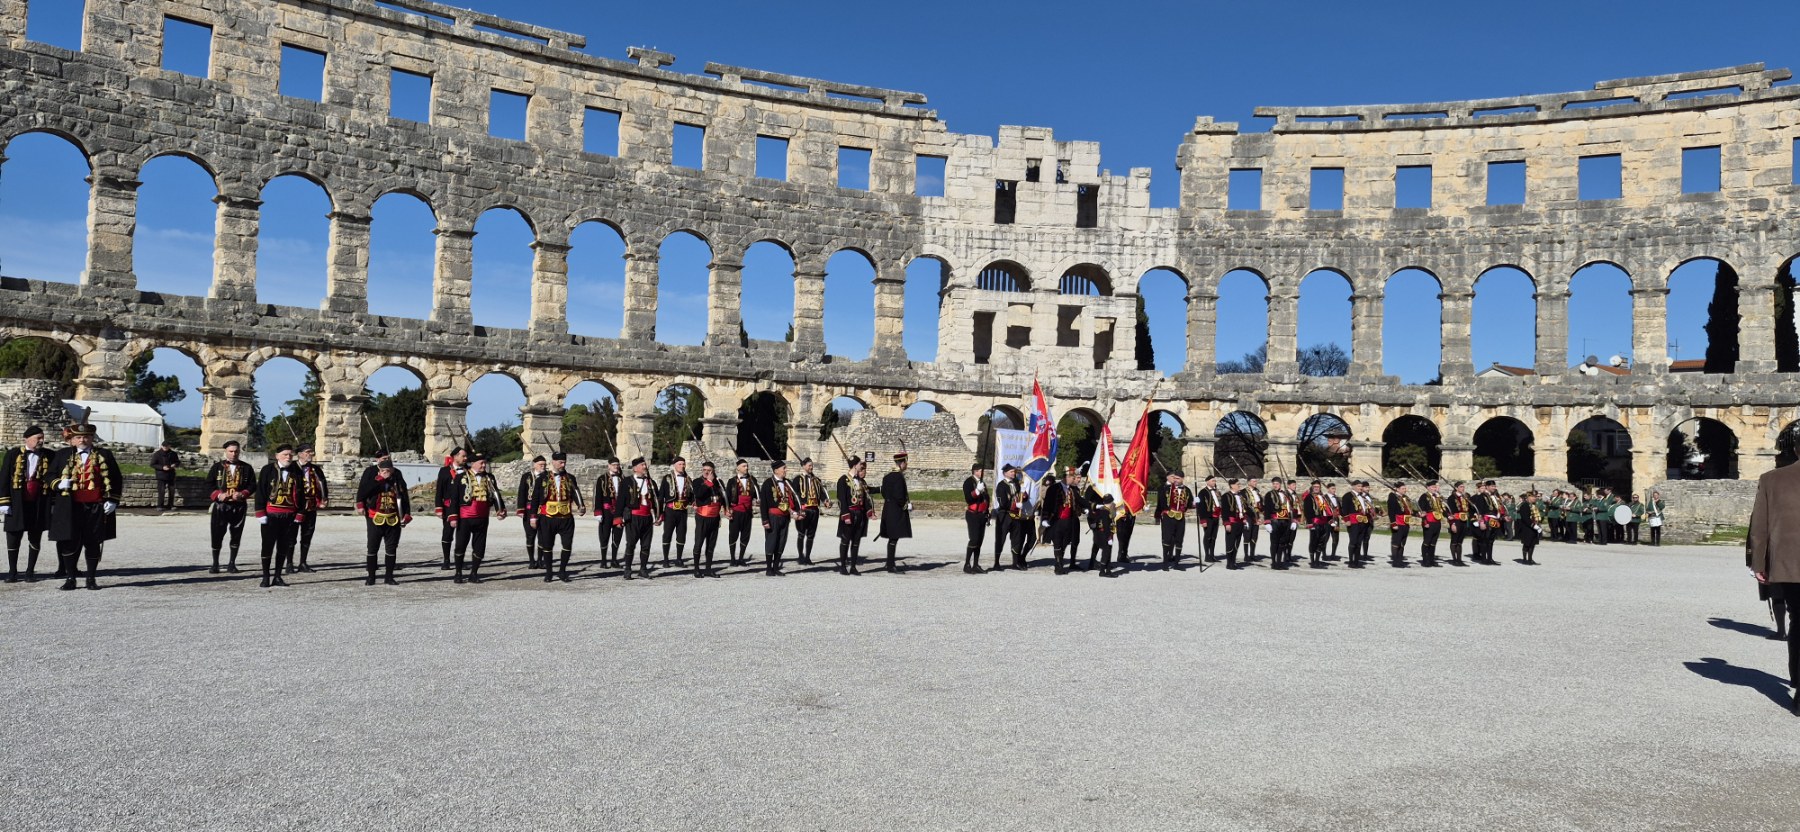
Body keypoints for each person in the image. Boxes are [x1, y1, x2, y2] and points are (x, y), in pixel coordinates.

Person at [1746, 460, 1800, 713]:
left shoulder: (1771, 479)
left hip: (1789, 563)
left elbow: (1759, 527)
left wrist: (1758, 562)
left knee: (1798, 620)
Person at [46, 424, 122, 591]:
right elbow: (49, 475)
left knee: (93, 542)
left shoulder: (104, 454)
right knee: (69, 542)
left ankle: (91, 578)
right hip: (70, 506)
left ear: (92, 438)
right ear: (72, 439)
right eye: (78, 437)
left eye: (86, 437)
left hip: (96, 506)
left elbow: (116, 478)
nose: (82, 440)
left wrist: (113, 500)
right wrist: (58, 484)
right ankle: (70, 578)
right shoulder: (62, 454)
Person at [2, 426, 54, 582]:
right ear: (27, 438)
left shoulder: (50, 455)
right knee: (13, 536)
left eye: (42, 438)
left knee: (35, 536)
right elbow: (4, 478)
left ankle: (30, 571)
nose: (41, 441)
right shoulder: (12, 454)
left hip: (38, 503)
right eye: (38, 438)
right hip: (17, 503)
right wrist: (4, 501)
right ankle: (12, 571)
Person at [447, 454, 506, 584]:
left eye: (485, 463)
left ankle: (474, 573)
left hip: (483, 516)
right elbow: (454, 498)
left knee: (480, 546)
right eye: (481, 463)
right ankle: (458, 573)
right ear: (472, 463)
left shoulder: (490, 478)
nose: (484, 465)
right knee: (461, 545)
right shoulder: (460, 477)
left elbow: (496, 494)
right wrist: (453, 516)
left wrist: (500, 509)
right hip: (465, 517)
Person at [255, 444, 305, 589]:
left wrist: (300, 513)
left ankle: (278, 576)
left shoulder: (297, 471)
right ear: (277, 456)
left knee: (284, 546)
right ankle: (265, 576)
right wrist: (260, 512)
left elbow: (302, 494)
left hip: (289, 515)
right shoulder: (267, 470)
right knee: (267, 545)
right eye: (285, 454)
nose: (288, 457)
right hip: (271, 514)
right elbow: (260, 491)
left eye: (290, 455)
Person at [203, 440, 256, 574]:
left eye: (236, 451)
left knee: (236, 534)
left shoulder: (247, 467)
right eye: (231, 451)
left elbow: (252, 485)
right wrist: (218, 495)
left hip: (239, 506)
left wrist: (243, 494)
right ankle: (215, 563)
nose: (233, 454)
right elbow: (208, 484)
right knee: (217, 534)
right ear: (225, 452)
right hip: (221, 506)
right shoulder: (217, 467)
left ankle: (232, 563)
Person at [355, 458, 411, 586]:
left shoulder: (397, 481)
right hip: (375, 517)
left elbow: (404, 498)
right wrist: (379, 480)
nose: (386, 473)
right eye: (383, 471)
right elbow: (363, 493)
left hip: (393, 518)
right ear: (379, 471)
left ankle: (389, 577)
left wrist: (407, 514)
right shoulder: (374, 480)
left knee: (391, 548)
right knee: (372, 547)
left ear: (392, 470)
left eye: (388, 471)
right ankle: (371, 577)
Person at [532, 452, 585, 583]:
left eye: (564, 462)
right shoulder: (542, 478)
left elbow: (575, 492)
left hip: (566, 517)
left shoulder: (570, 478)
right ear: (553, 462)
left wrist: (581, 505)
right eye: (560, 462)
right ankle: (549, 572)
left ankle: (562, 571)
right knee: (547, 545)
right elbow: (535, 498)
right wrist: (533, 516)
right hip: (548, 517)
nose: (563, 465)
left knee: (567, 545)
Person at [618, 456, 662, 579]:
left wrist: (659, 515)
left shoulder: (651, 483)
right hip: (633, 517)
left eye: (645, 465)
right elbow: (620, 501)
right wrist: (618, 518)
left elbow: (657, 501)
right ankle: (628, 569)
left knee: (646, 545)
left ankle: (643, 569)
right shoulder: (626, 482)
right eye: (642, 465)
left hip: (647, 517)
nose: (645, 467)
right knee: (631, 544)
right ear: (635, 468)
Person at [292, 445, 329, 573]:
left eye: (311, 452)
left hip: (311, 506)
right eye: (308, 452)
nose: (311, 454)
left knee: (307, 534)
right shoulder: (292, 467)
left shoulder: (315, 469)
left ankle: (303, 562)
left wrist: (324, 498)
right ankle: (289, 563)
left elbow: (322, 483)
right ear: (300, 454)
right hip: (295, 506)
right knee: (291, 535)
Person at [759, 460, 800, 576]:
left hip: (785, 517)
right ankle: (769, 568)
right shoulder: (768, 483)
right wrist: (765, 520)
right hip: (773, 516)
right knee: (771, 541)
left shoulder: (788, 483)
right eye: (784, 468)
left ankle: (776, 567)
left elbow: (794, 498)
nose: (786, 470)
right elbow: (764, 504)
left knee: (781, 541)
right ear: (776, 470)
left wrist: (797, 511)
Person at [1041, 469, 1085, 574]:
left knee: (1065, 542)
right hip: (1057, 520)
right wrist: (1045, 518)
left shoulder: (1072, 489)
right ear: (1066, 477)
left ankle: (1060, 562)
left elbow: (1080, 501)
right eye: (1072, 478)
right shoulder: (1054, 488)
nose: (1074, 480)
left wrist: (1092, 506)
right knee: (1057, 542)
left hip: (1068, 521)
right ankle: (1058, 566)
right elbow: (1047, 504)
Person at [836, 456, 873, 575]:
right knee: (845, 540)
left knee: (856, 541)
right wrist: (845, 515)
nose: (861, 466)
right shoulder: (843, 480)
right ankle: (843, 566)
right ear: (854, 465)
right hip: (849, 513)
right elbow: (841, 499)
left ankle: (853, 566)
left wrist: (869, 511)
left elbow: (865, 498)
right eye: (859, 464)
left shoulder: (860, 481)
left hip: (859, 514)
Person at [433, 447, 467, 570]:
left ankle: (460, 560)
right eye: (463, 456)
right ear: (455, 456)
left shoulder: (467, 471)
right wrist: (439, 508)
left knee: (462, 535)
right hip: (448, 507)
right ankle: (446, 560)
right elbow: (439, 490)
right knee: (447, 533)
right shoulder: (444, 471)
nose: (465, 458)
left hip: (463, 507)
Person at [878, 452, 913, 573]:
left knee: (892, 538)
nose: (906, 465)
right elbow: (899, 496)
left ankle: (890, 563)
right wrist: (906, 505)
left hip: (888, 509)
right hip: (896, 511)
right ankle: (890, 565)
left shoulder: (887, 477)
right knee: (894, 538)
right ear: (902, 463)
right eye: (905, 462)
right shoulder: (899, 477)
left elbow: (884, 493)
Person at [793, 458, 830, 566]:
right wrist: (797, 510)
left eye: (812, 465)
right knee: (801, 534)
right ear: (804, 466)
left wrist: (825, 501)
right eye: (809, 465)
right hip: (803, 509)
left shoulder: (817, 480)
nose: (811, 467)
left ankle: (807, 557)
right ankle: (800, 556)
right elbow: (794, 495)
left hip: (814, 510)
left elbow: (822, 494)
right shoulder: (797, 479)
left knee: (811, 535)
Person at [1081, 469, 1118, 575]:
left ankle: (1104, 562)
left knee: (1101, 540)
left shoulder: (1104, 488)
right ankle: (1094, 562)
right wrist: (1096, 507)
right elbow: (1087, 503)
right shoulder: (1092, 488)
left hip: (1104, 514)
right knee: (1099, 539)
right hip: (1095, 516)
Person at [691, 461, 723, 577]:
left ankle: (708, 569)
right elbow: (699, 494)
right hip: (703, 516)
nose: (706, 472)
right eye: (704, 470)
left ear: (713, 471)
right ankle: (696, 569)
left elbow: (722, 497)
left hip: (714, 517)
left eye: (709, 470)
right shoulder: (697, 481)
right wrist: (708, 482)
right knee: (699, 542)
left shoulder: (718, 482)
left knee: (711, 544)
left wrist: (726, 509)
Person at [659, 456, 692, 567]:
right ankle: (665, 559)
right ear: (674, 465)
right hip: (670, 511)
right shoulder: (667, 478)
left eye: (683, 464)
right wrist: (660, 513)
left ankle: (679, 559)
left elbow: (692, 495)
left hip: (683, 511)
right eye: (680, 464)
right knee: (667, 534)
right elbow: (661, 496)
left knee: (681, 534)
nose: (682, 466)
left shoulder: (688, 479)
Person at [724, 459, 757, 566]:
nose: (746, 468)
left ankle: (741, 558)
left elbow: (757, 494)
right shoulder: (731, 481)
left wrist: (757, 500)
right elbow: (727, 497)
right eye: (744, 466)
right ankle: (732, 558)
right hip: (736, 511)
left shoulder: (752, 480)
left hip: (748, 512)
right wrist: (727, 510)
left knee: (745, 535)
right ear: (738, 468)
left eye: (747, 466)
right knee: (733, 535)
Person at [1157, 470, 1192, 570]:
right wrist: (1164, 512)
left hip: (1180, 517)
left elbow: (1189, 503)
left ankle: (1177, 563)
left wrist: (1195, 503)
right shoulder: (1167, 489)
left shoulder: (1187, 490)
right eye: (1174, 478)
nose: (1175, 480)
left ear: (1182, 479)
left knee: (1179, 539)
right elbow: (1161, 502)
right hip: (1169, 516)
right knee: (1167, 539)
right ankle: (1165, 563)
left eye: (1178, 478)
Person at [516, 456, 547, 567]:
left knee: (542, 536)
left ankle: (540, 560)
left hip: (542, 509)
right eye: (540, 465)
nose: (543, 466)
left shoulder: (547, 477)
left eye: (544, 464)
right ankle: (531, 560)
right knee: (530, 535)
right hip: (529, 510)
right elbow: (521, 493)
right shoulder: (526, 476)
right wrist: (521, 509)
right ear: (534, 465)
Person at [593, 457, 624, 567]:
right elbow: (598, 497)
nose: (616, 467)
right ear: (609, 466)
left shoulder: (623, 478)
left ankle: (614, 560)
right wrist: (598, 512)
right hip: (606, 511)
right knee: (604, 536)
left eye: (617, 465)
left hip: (619, 512)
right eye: (614, 465)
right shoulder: (602, 479)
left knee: (617, 535)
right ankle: (603, 560)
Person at [1263, 476, 1295, 569]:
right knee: (1274, 542)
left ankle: (1279, 562)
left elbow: (1291, 508)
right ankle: (1274, 562)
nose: (1275, 485)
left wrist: (1293, 520)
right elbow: (1267, 508)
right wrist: (1267, 522)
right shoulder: (1269, 494)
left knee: (1282, 542)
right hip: (1275, 520)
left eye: (1277, 483)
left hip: (1285, 520)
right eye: (1274, 484)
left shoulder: (1285, 494)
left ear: (1280, 484)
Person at [992, 464, 1020, 571]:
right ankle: (996, 563)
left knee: (1016, 539)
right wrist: (1014, 505)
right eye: (1011, 472)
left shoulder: (1016, 483)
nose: (1013, 473)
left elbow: (1019, 496)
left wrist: (1024, 497)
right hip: (1005, 515)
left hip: (1016, 515)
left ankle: (1015, 563)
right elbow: (1002, 502)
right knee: (1001, 538)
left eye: (1014, 472)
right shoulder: (1001, 485)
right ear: (1005, 473)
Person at [962, 464, 989, 573]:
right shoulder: (969, 482)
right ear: (975, 471)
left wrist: (987, 512)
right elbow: (968, 498)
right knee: (974, 539)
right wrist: (977, 491)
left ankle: (976, 564)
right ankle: (967, 564)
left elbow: (986, 498)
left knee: (980, 540)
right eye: (980, 471)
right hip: (973, 514)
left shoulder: (982, 483)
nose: (982, 473)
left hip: (982, 514)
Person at [1302, 479, 1334, 568]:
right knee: (1313, 541)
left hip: (1324, 522)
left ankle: (1317, 560)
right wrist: (1310, 523)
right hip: (1315, 522)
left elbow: (1328, 509)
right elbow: (1307, 511)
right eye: (1315, 487)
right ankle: (1312, 561)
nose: (1316, 488)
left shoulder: (1323, 497)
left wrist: (1330, 519)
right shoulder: (1309, 497)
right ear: (1312, 487)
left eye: (1318, 487)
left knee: (1321, 542)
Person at [1340, 480, 1372, 568]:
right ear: (1353, 486)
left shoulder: (1362, 496)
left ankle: (1356, 561)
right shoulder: (1348, 496)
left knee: (1359, 542)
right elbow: (1344, 509)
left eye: (1361, 486)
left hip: (1362, 521)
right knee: (1353, 541)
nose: (1360, 488)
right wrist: (1347, 520)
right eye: (1358, 486)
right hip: (1353, 521)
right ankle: (1351, 561)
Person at [1221, 478, 1251, 570]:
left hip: (1240, 522)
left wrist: (1245, 519)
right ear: (1232, 486)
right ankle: (1229, 563)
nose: (1239, 486)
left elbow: (1244, 509)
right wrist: (1227, 523)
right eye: (1237, 484)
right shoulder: (1226, 496)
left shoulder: (1241, 496)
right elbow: (1224, 511)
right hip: (1232, 522)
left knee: (1237, 542)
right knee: (1230, 542)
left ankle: (1233, 561)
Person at [1417, 481, 1447, 567]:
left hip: (1437, 520)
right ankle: (1425, 560)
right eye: (1433, 487)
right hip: (1429, 520)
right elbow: (1422, 510)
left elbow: (1442, 508)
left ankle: (1431, 560)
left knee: (1433, 541)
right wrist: (1424, 522)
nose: (1435, 488)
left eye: (1435, 487)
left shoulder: (1437, 497)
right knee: (1427, 541)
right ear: (1428, 488)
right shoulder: (1424, 497)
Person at [1196, 474, 1223, 561]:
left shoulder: (1217, 492)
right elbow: (1200, 507)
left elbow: (1220, 503)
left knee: (1214, 536)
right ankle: (1207, 555)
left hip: (1216, 516)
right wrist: (1202, 520)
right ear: (1207, 482)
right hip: (1208, 517)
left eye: (1215, 481)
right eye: (1212, 481)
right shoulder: (1202, 492)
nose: (1214, 482)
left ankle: (1212, 554)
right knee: (1208, 535)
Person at [1387, 481, 1414, 565]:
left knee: (1402, 542)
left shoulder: (1404, 498)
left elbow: (1408, 510)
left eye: (1405, 488)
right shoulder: (1393, 497)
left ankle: (1400, 559)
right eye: (1403, 488)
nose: (1405, 490)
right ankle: (1395, 561)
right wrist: (1393, 523)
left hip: (1405, 522)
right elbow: (1391, 511)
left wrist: (1417, 513)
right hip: (1398, 522)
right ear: (1397, 489)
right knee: (1396, 542)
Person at [151, 440, 180, 513]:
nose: (165, 447)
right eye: (164, 446)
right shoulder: (157, 454)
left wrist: (175, 464)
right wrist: (162, 467)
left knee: (172, 491)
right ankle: (160, 506)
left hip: (171, 474)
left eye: (167, 446)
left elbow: (178, 462)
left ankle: (170, 505)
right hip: (161, 475)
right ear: (162, 446)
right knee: (161, 491)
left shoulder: (173, 453)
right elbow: (152, 464)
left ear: (169, 446)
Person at [1517, 490, 1545, 565]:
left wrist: (1537, 525)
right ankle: (1524, 559)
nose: (1534, 498)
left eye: (1535, 497)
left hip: (1534, 526)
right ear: (1528, 497)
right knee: (1527, 543)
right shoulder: (1525, 505)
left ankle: (1530, 559)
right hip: (1527, 527)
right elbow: (1525, 518)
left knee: (1533, 543)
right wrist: (1533, 525)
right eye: (1533, 497)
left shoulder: (1533, 505)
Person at [1242, 477, 1263, 562]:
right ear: (1248, 482)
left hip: (1256, 515)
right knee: (1247, 534)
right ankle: (1246, 555)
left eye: (1256, 481)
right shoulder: (1243, 492)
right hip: (1248, 515)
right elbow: (1243, 505)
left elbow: (1260, 504)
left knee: (1254, 535)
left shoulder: (1257, 491)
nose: (1255, 482)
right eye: (1254, 481)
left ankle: (1252, 554)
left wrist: (1260, 515)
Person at [1325, 482, 1343, 560]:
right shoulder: (1324, 498)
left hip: (1336, 520)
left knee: (1336, 538)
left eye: (1335, 488)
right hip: (1327, 520)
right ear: (1328, 489)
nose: (1334, 490)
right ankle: (1324, 554)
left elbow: (1341, 509)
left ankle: (1333, 555)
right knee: (1326, 537)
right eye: (1332, 488)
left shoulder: (1337, 498)